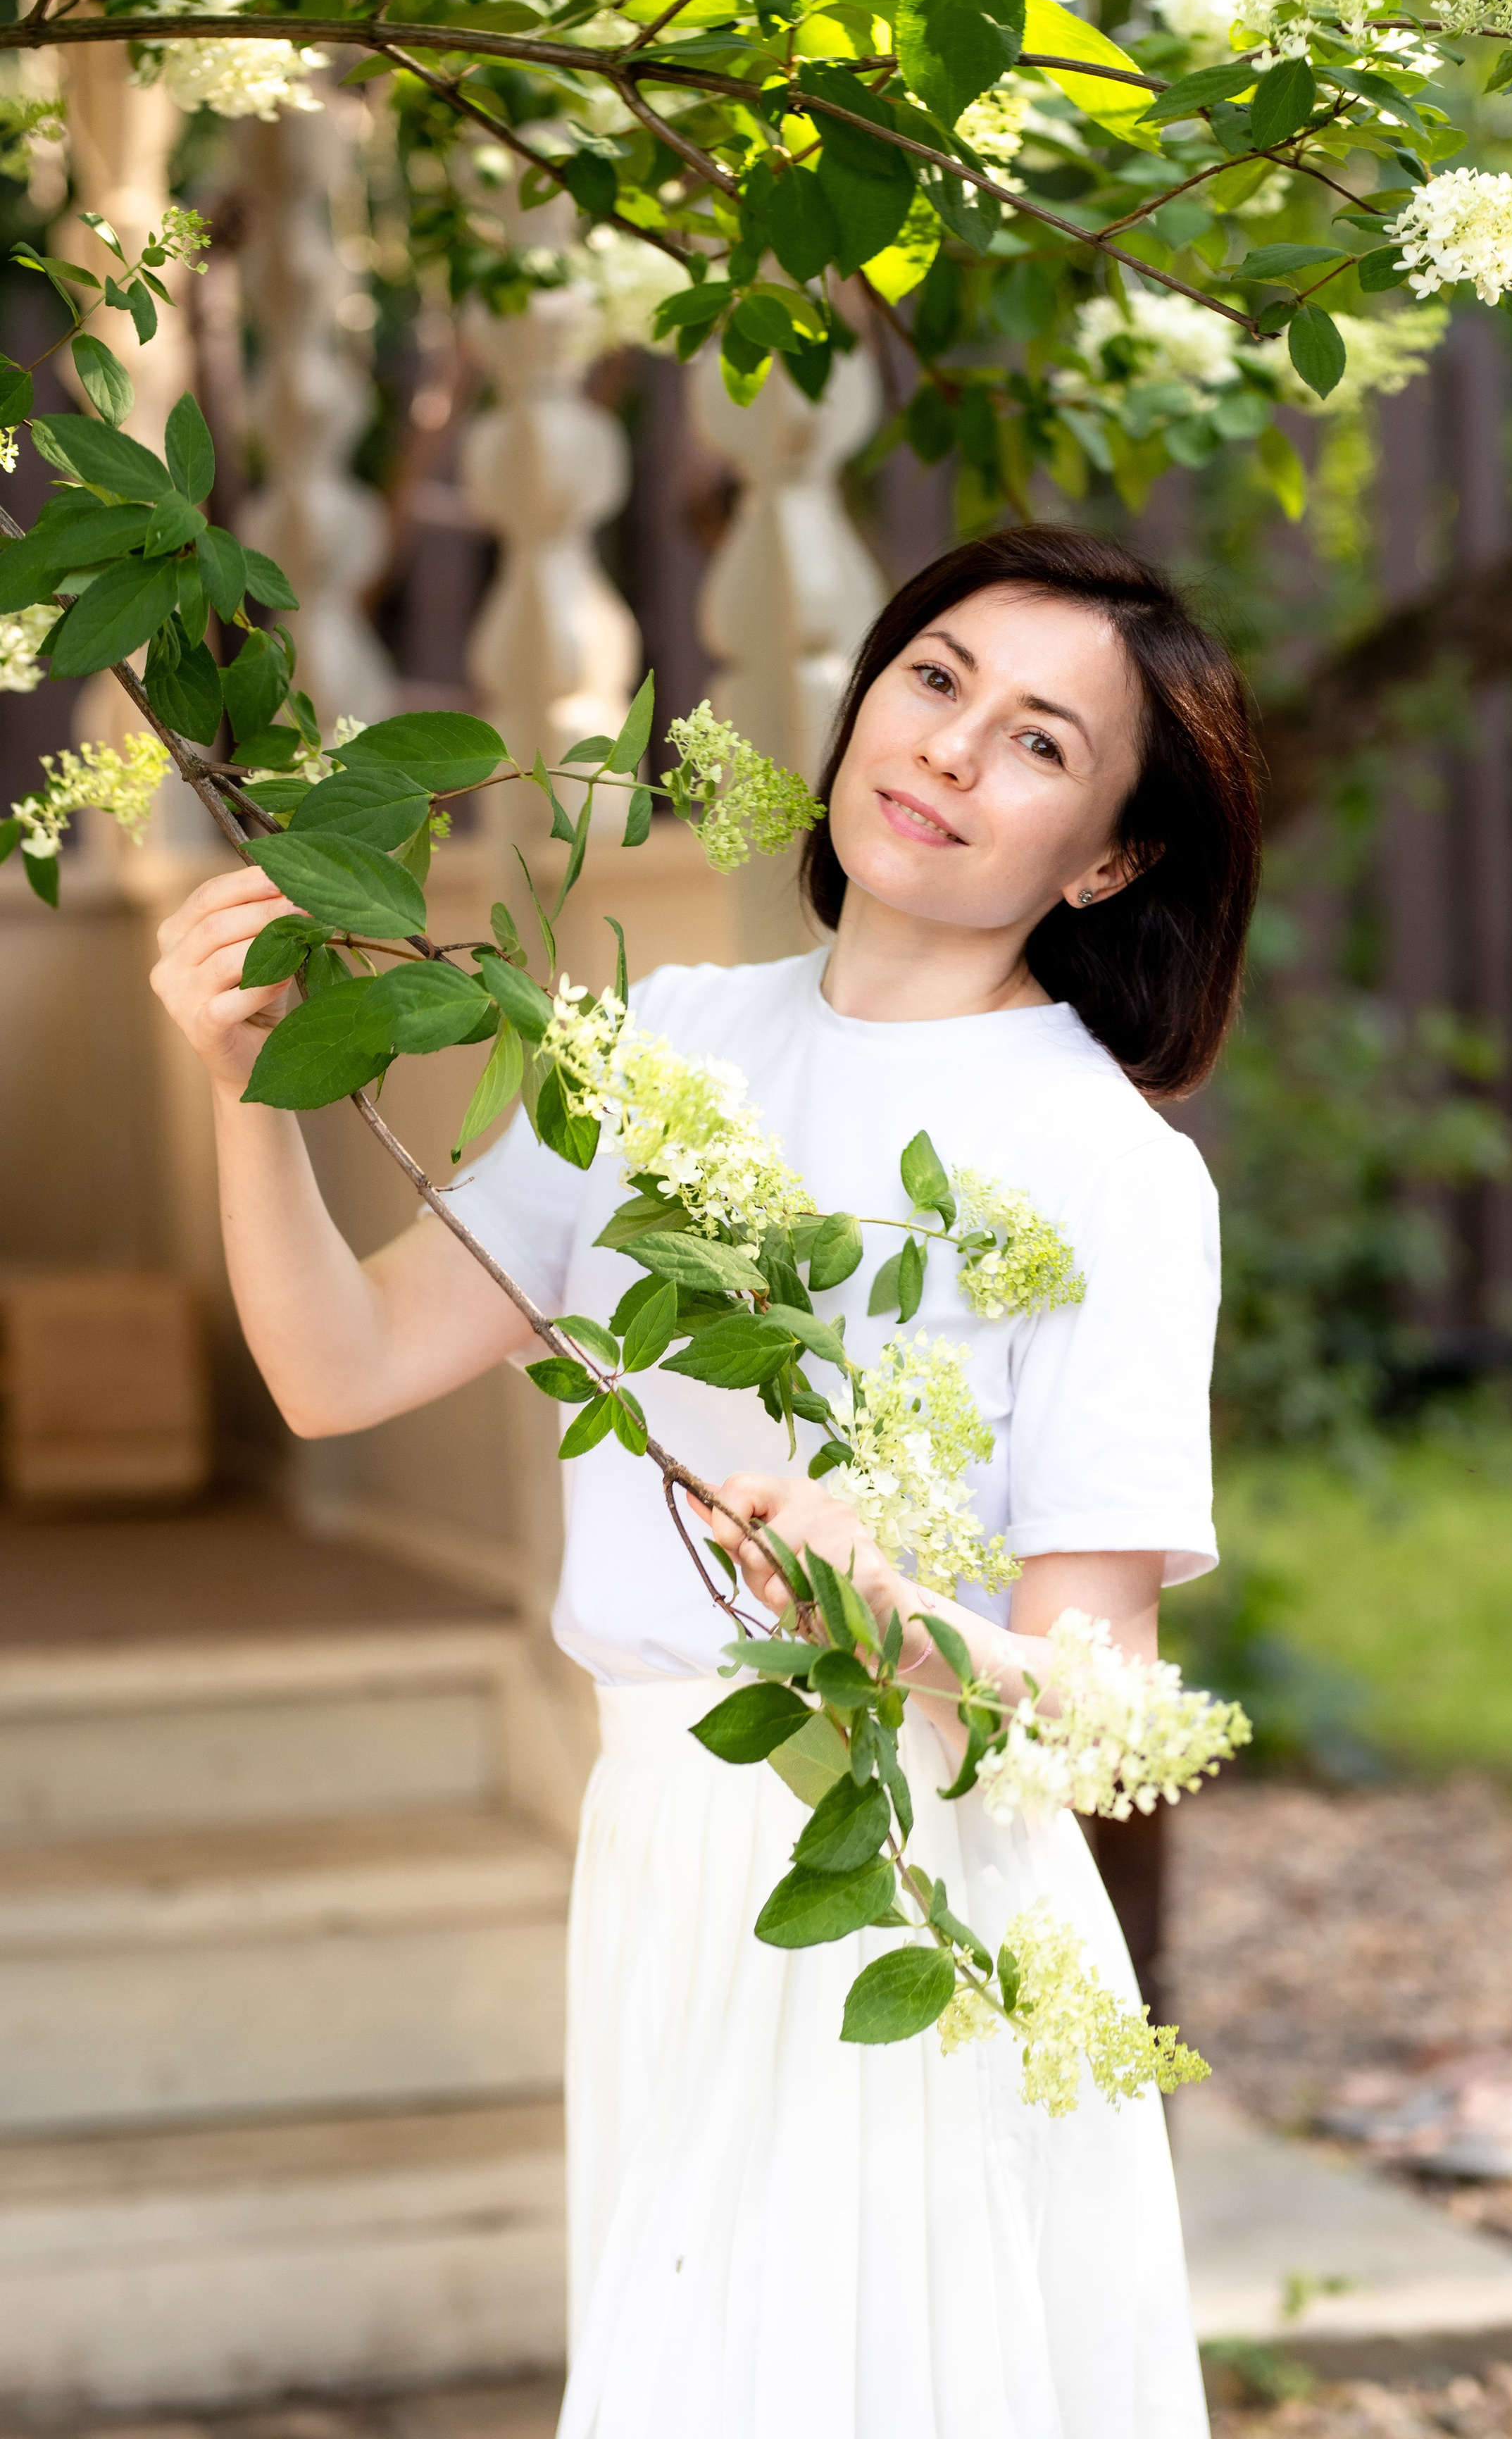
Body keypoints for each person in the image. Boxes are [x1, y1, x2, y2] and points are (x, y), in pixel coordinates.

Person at [150, 523, 1262, 2439]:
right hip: (667, 1852)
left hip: (916, 1893)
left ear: (1107, 857)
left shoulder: (1114, 1172)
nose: (951, 749)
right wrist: (250, 1079)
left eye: (1040, 743)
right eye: (936, 680)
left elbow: (1103, 1715)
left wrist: (889, 1614)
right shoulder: (662, 1049)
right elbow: (337, 1373)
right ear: (863, 700)